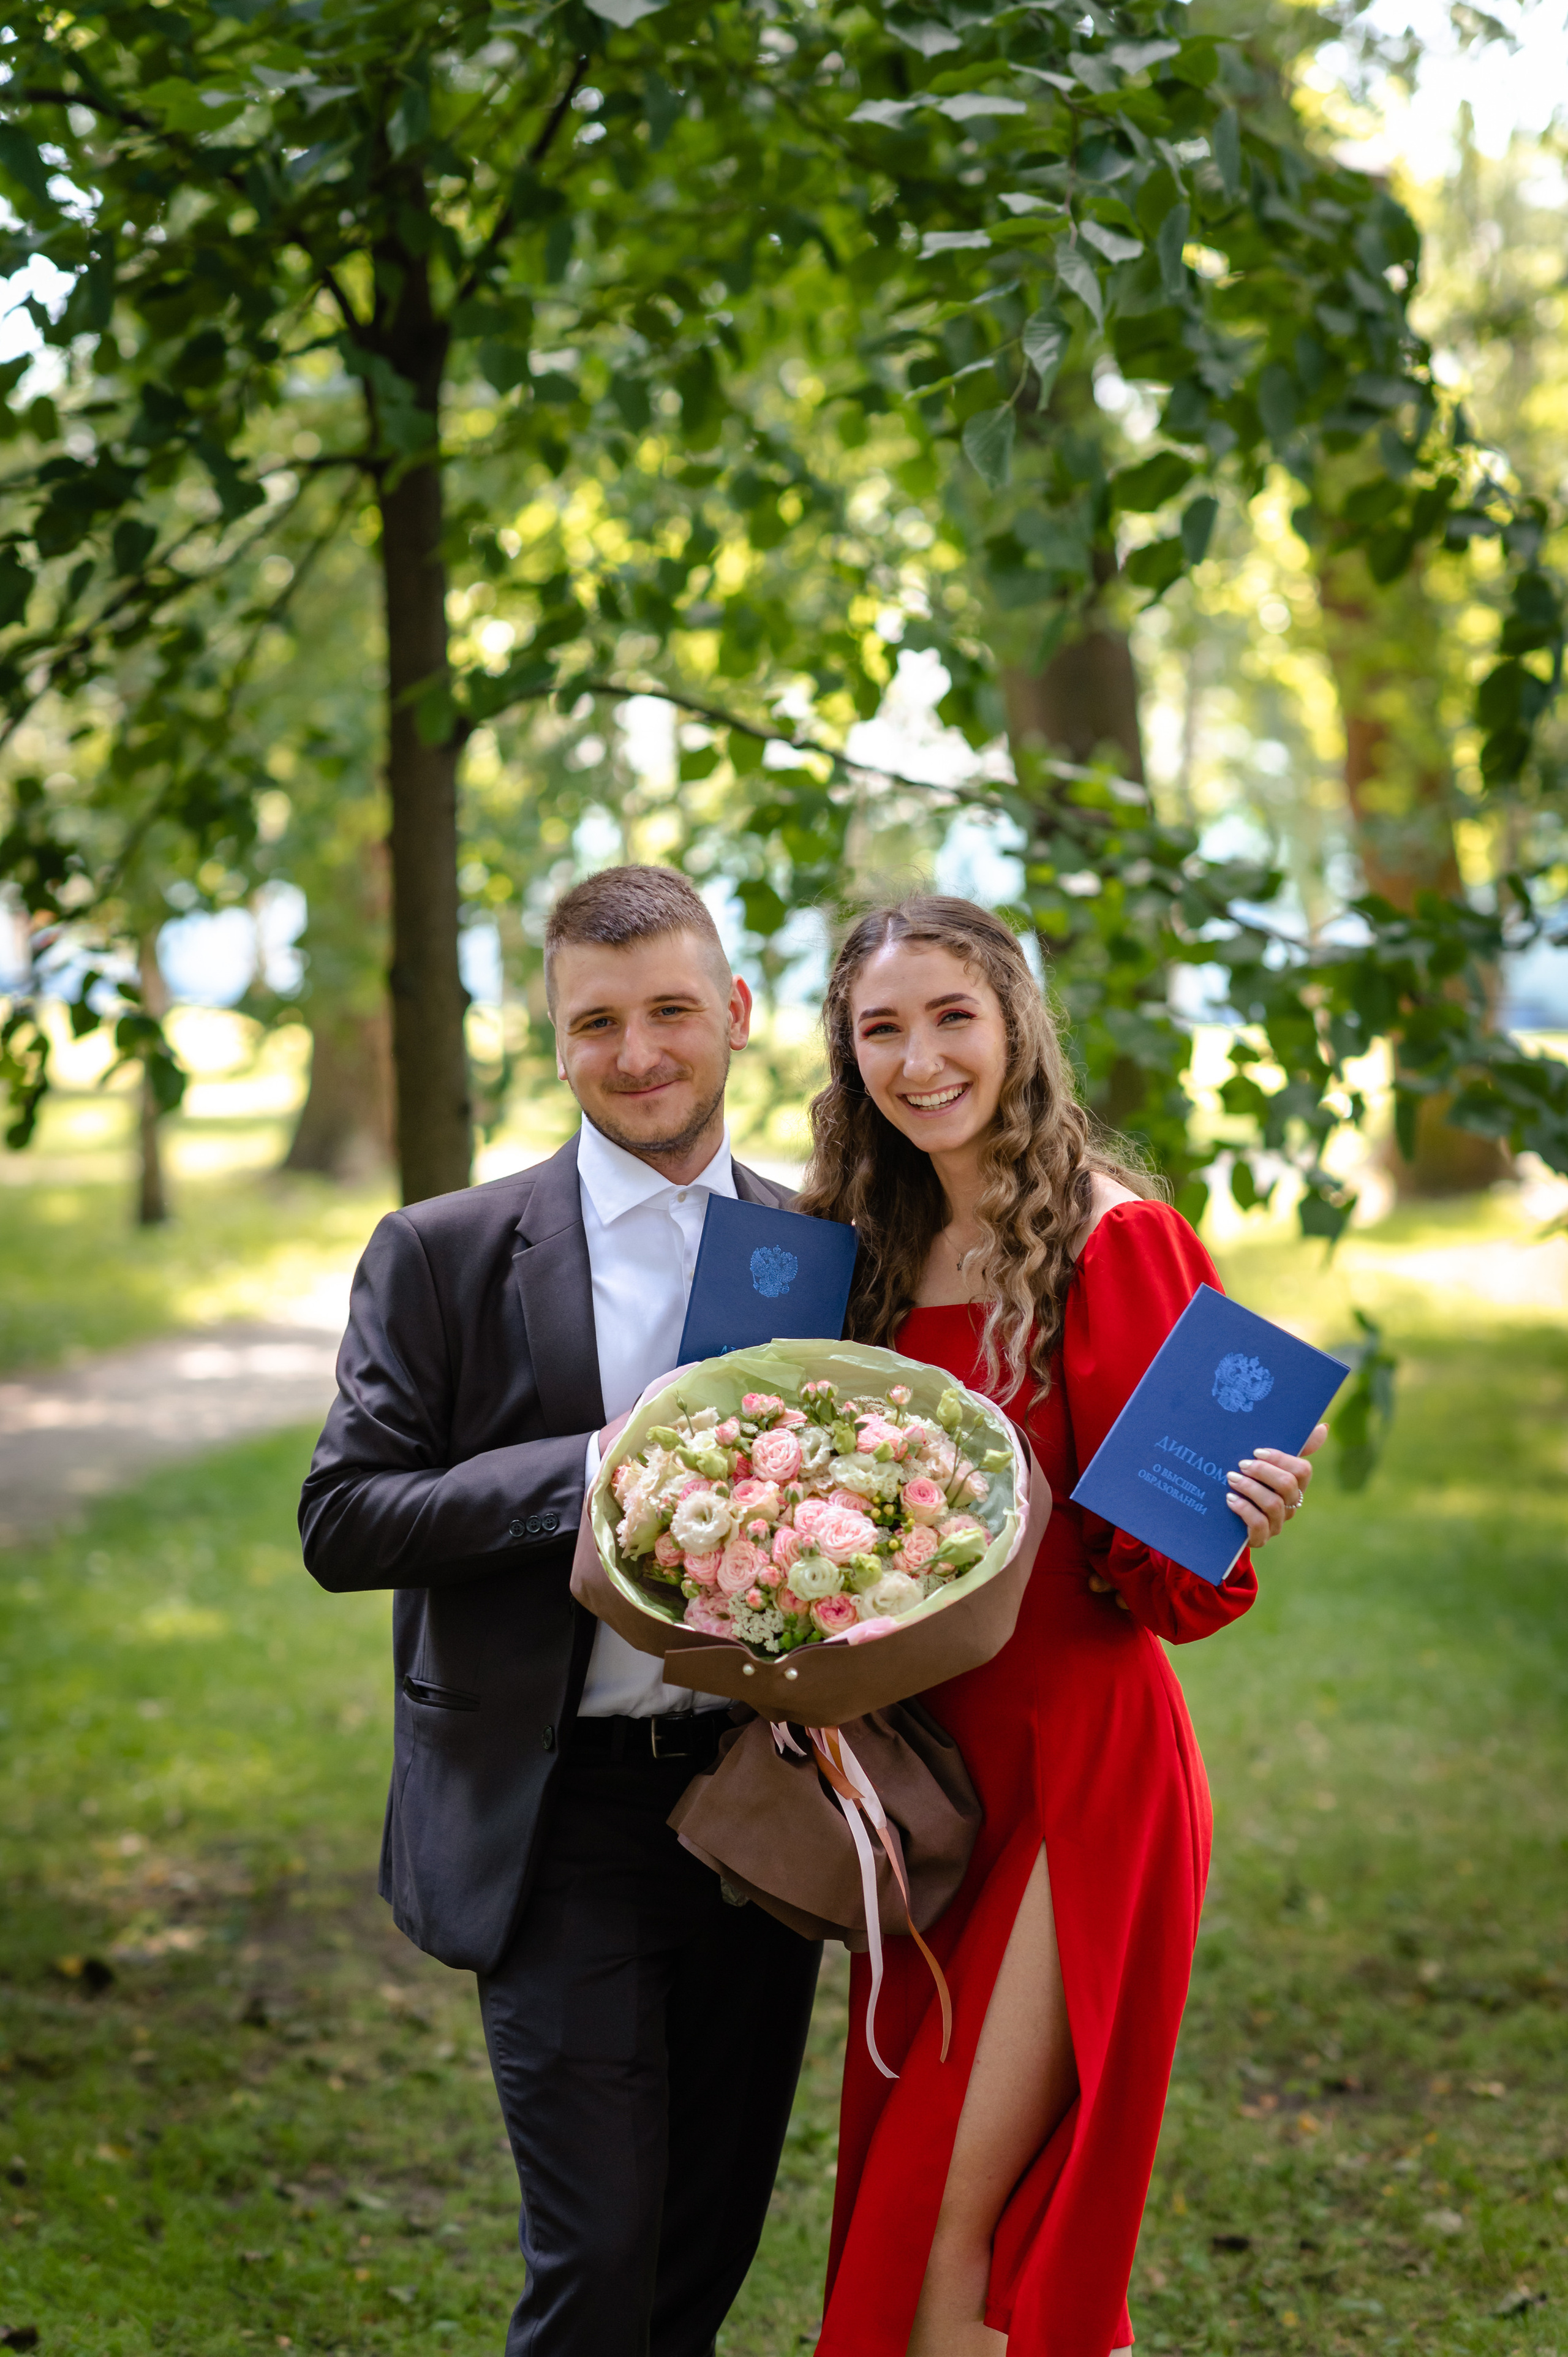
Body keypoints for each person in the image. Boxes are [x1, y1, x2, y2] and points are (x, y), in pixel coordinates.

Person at [298, 864, 821, 2357]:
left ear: (734, 1011)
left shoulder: (813, 1247)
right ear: (555, 1038)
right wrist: (596, 1467)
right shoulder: (443, 1251)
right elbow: (345, 1518)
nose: (637, 1053)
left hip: (752, 1807)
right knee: (596, 2261)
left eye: (669, 1010)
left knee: (699, 2256)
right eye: (596, 1022)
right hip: (553, 1815)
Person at [795, 896, 1324, 2357]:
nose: (919, 1059)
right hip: (917, 1784)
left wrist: (1230, 1512)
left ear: (1014, 1024)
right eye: (881, 1029)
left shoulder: (1113, 1239)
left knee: (965, 2210)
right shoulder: (857, 1250)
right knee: (910, 2195)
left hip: (1075, 1775)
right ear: (848, 1054)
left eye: (950, 1017)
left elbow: (1163, 1582)